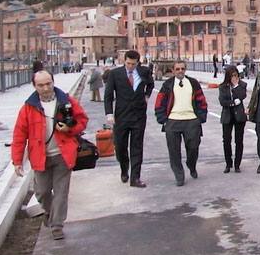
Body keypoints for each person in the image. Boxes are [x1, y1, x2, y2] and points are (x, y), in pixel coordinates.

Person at [12, 71, 88, 240]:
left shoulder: (66, 101)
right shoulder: (28, 108)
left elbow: (82, 120)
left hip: (63, 154)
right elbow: (19, 135)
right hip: (40, 157)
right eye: (41, 85)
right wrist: (17, 161)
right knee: (42, 191)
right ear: (34, 86)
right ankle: (49, 212)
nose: (46, 88)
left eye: (48, 84)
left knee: (61, 192)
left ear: (53, 82)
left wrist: (70, 129)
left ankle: (57, 226)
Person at [104, 50, 154, 188]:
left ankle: (135, 178)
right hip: (121, 116)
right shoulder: (115, 74)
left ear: (138, 62)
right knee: (120, 146)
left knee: (137, 147)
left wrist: (147, 96)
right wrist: (109, 114)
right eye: (128, 63)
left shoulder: (144, 72)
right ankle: (124, 169)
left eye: (133, 64)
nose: (130, 66)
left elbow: (151, 84)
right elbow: (108, 95)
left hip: (138, 116)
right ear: (124, 61)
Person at [155, 61, 208, 186]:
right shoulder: (167, 85)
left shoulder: (193, 83)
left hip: (191, 120)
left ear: (185, 70)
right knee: (174, 151)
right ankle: (179, 175)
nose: (180, 71)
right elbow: (159, 102)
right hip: (173, 121)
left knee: (193, 147)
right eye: (177, 69)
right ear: (173, 70)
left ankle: (191, 165)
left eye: (182, 69)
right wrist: (162, 119)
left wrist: (201, 117)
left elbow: (202, 101)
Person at [219, 66, 248, 173]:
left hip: (239, 116)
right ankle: (228, 163)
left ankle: (237, 164)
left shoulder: (242, 85)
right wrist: (232, 103)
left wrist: (236, 86)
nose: (234, 78)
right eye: (232, 76)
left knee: (239, 140)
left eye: (236, 75)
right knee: (226, 140)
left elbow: (242, 96)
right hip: (227, 116)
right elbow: (222, 101)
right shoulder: (223, 87)